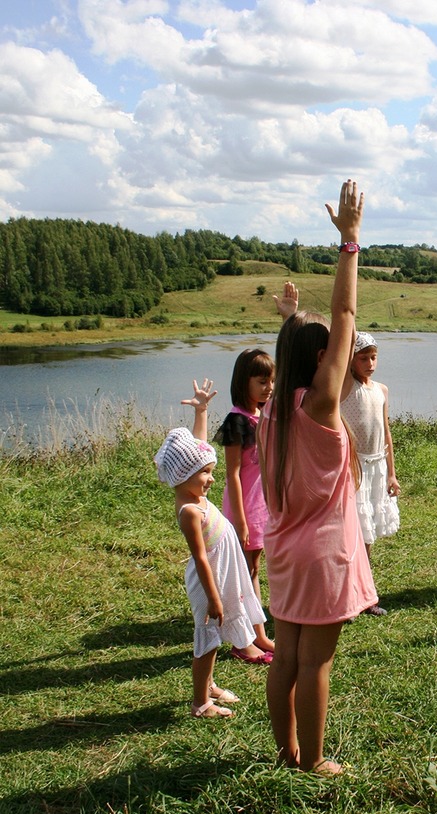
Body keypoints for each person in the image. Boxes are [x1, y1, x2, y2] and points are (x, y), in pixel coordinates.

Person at [258, 180, 379, 776]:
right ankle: (313, 763)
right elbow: (346, 315)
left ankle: (286, 753)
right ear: (321, 357)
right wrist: (350, 242)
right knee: (315, 665)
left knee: (286, 658)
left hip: (284, 550)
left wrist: (290, 322)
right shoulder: (321, 405)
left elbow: (320, 332)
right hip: (324, 553)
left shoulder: (271, 413)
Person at [155, 378, 267, 719]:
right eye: (206, 473)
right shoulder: (190, 510)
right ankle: (200, 703)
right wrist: (215, 597)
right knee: (207, 640)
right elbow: (201, 558)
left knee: (216, 638)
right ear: (185, 475)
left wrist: (201, 411)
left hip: (220, 576)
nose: (211, 479)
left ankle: (209, 685)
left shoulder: (195, 492)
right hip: (209, 583)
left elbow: (199, 446)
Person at [214, 348, 278, 661]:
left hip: (261, 509)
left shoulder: (263, 416)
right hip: (244, 510)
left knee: (252, 570)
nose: (269, 387)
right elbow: (233, 475)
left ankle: (259, 635)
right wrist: (239, 520)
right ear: (244, 382)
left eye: (272, 381)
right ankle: (242, 642)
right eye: (262, 381)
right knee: (241, 575)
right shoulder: (237, 421)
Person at [341, 330, 400, 616]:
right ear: (351, 360)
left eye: (373, 357)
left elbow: (386, 432)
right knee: (351, 530)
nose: (370, 363)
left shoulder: (381, 389)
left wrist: (392, 473)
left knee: (367, 532)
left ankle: (366, 594)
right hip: (354, 466)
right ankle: (348, 595)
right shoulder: (345, 388)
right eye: (363, 357)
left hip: (377, 466)